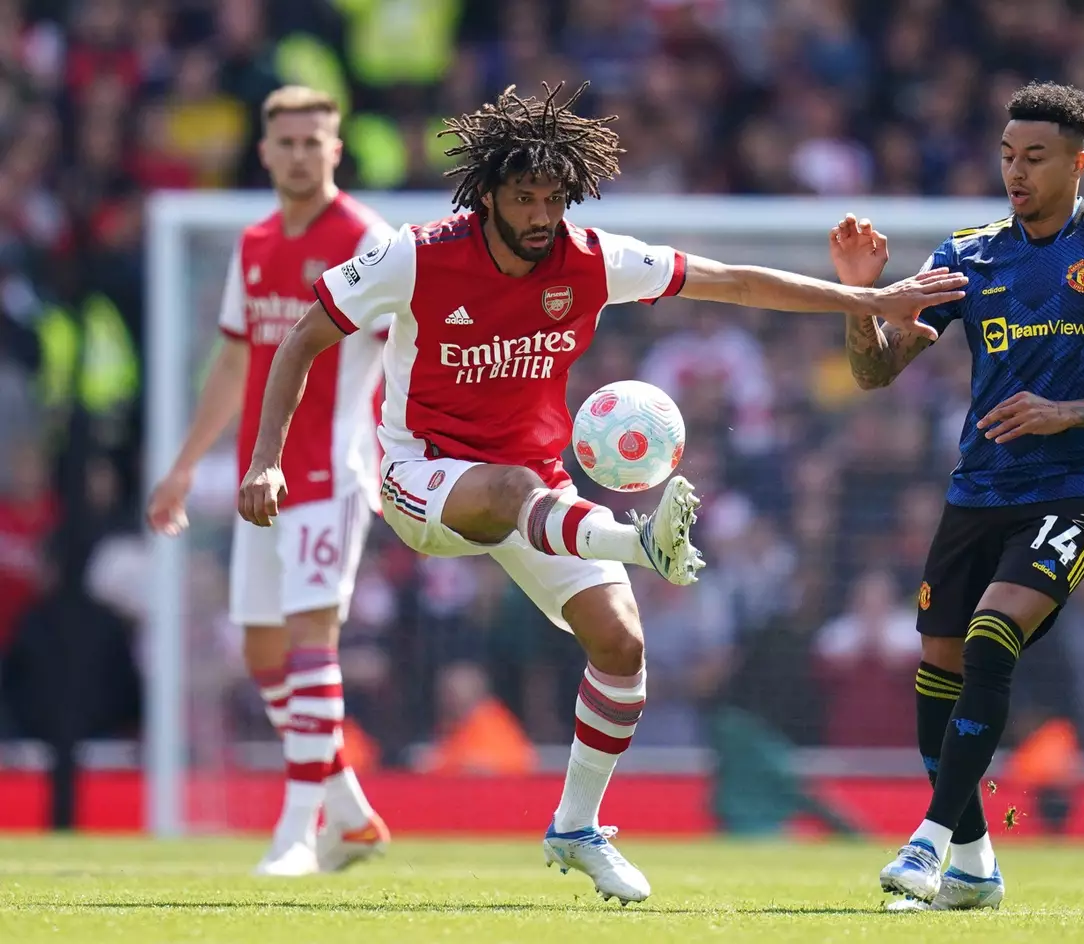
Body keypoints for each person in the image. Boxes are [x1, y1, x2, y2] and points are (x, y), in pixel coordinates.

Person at [235, 81, 964, 905]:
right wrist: (268, 459)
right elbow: (304, 337)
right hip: (423, 475)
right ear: (489, 196)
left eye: (554, 196)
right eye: (524, 197)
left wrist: (863, 298)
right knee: (515, 490)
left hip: (538, 492)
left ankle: (576, 827)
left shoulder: (590, 258)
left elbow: (731, 281)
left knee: (622, 648)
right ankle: (638, 539)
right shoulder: (416, 254)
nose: (542, 214)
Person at [829, 81, 1084, 909]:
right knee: (941, 661)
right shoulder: (968, 256)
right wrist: (859, 296)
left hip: (1077, 484)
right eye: (1006, 157)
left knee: (995, 631)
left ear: (1077, 162)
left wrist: (1067, 415)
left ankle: (924, 843)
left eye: (1034, 158)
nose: (1015, 173)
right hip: (979, 488)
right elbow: (875, 371)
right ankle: (975, 864)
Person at [147, 86, 391, 877]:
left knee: (311, 640)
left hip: (331, 469)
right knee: (261, 649)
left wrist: (398, 449)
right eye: (285, 141)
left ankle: (297, 830)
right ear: (263, 150)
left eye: (312, 141)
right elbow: (234, 358)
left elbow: (404, 347)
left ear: (336, 149)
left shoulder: (367, 239)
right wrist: (186, 464)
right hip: (265, 474)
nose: (298, 154)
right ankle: (349, 808)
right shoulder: (253, 243)